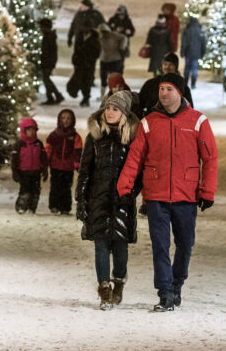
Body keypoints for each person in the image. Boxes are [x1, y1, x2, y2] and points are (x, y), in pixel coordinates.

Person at [116, 73, 218, 311]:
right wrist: (125, 187)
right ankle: (165, 293)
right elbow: (135, 158)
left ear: (179, 93)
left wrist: (207, 191)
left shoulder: (198, 121)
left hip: (186, 195)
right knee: (160, 245)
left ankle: (177, 283)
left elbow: (210, 158)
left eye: (169, 89)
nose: (163, 93)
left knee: (185, 244)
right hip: (157, 196)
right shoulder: (148, 122)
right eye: (161, 89)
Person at [76, 90, 142, 309]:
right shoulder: (94, 138)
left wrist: (131, 193)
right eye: (108, 108)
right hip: (98, 199)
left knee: (121, 247)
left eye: (115, 109)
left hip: (122, 201)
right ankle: (104, 289)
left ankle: (119, 281)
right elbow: (85, 171)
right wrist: (81, 199)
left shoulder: (132, 138)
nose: (110, 112)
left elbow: (139, 172)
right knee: (101, 245)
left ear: (124, 113)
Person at [45, 109, 82, 214]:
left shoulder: (75, 136)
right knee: (55, 186)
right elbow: (48, 148)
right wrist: (46, 160)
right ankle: (54, 205)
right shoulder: (54, 135)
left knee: (66, 187)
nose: (66, 120)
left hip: (68, 166)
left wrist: (77, 162)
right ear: (59, 120)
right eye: (63, 118)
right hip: (55, 165)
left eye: (68, 118)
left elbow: (78, 150)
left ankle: (65, 207)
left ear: (72, 120)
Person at [11, 117, 48, 214]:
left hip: (36, 172)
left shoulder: (38, 144)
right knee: (25, 191)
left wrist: (44, 170)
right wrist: (15, 172)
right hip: (24, 173)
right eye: (28, 130)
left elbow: (43, 158)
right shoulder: (19, 144)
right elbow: (14, 160)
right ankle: (21, 206)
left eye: (33, 130)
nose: (31, 132)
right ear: (24, 131)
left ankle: (32, 208)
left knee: (35, 192)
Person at [139, 52, 193, 117]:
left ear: (176, 67)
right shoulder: (151, 83)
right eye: (165, 64)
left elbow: (190, 108)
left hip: (174, 121)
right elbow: (140, 103)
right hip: (152, 121)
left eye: (171, 65)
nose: (167, 67)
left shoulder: (182, 86)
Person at [70, 20, 101, 107]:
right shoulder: (79, 36)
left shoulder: (95, 37)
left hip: (89, 64)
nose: (84, 29)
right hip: (79, 62)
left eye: (86, 27)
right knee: (77, 78)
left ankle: (86, 98)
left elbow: (97, 51)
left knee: (87, 81)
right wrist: (75, 58)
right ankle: (75, 92)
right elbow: (76, 48)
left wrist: (90, 59)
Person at [98, 23, 128, 93]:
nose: (104, 33)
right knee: (103, 79)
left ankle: (116, 94)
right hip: (104, 60)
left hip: (115, 60)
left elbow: (124, 38)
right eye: (102, 32)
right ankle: (103, 96)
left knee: (115, 79)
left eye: (105, 31)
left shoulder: (114, 35)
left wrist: (122, 47)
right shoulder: (100, 37)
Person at [39, 18, 63, 105]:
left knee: (46, 80)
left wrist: (50, 63)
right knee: (46, 80)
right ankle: (51, 97)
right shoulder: (48, 36)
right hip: (46, 62)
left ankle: (57, 95)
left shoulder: (49, 37)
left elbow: (51, 52)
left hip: (48, 63)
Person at [180, 16, 207, 90]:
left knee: (187, 68)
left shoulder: (187, 30)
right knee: (195, 69)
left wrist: (182, 52)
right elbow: (203, 43)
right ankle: (193, 84)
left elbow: (184, 42)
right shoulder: (200, 31)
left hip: (188, 52)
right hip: (196, 53)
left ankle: (185, 83)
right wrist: (203, 52)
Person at [108, 5, 135, 71]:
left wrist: (129, 32)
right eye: (120, 14)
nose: (121, 16)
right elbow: (107, 30)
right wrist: (115, 30)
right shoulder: (112, 20)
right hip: (113, 44)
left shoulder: (128, 21)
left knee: (121, 61)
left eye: (123, 14)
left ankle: (119, 75)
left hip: (123, 45)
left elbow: (132, 31)